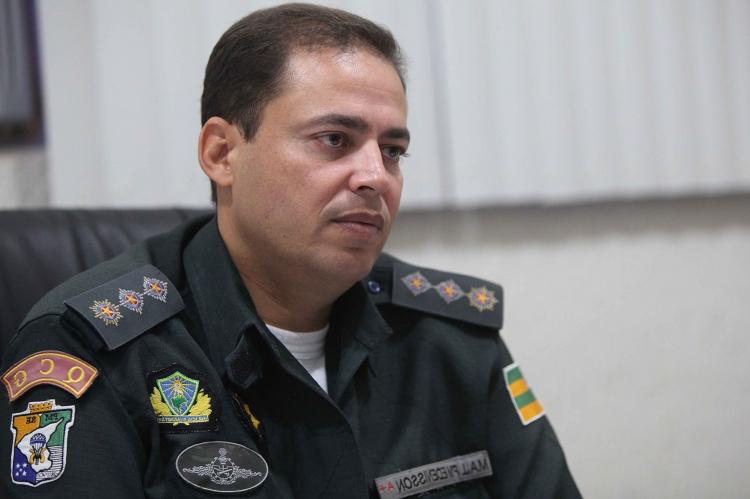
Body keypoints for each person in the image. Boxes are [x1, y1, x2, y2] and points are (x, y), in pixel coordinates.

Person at [0, 3, 580, 498]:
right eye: (334, 140)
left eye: (393, 151)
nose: (376, 177)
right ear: (222, 153)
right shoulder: (93, 351)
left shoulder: (447, 339)